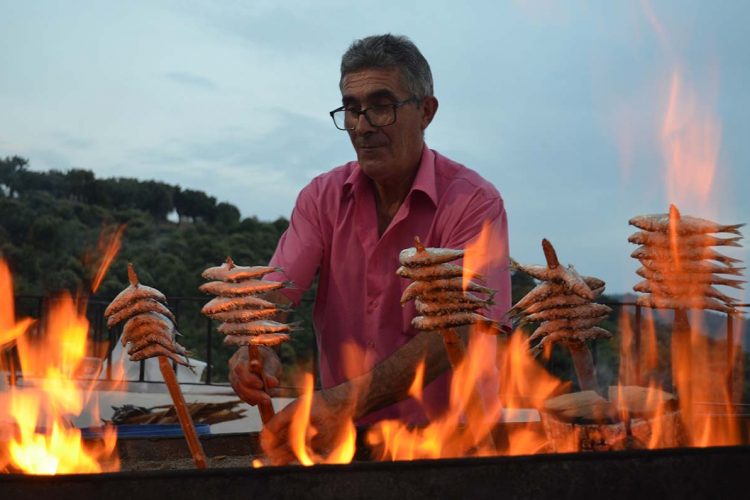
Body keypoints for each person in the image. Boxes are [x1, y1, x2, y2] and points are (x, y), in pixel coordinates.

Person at [229, 34, 511, 465]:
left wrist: (346, 399)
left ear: (427, 112)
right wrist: (256, 346)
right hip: (347, 442)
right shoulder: (322, 197)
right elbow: (275, 294)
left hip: (455, 443)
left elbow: (463, 330)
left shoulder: (473, 203)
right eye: (352, 108)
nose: (362, 125)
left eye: (382, 105)